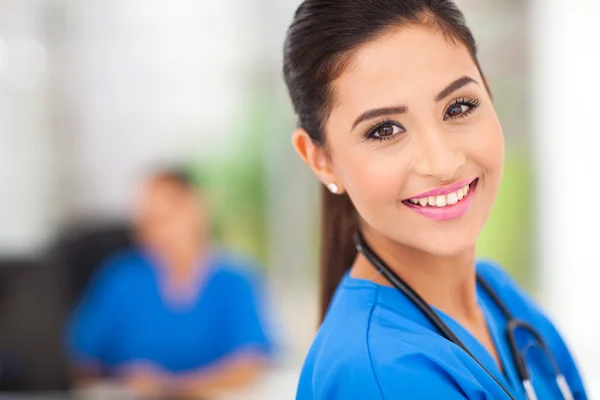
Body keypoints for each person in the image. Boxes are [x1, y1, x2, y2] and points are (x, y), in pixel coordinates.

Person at [283, 1, 587, 399]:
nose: (442, 163)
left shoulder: (497, 294)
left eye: (459, 107)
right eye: (384, 130)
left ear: (489, 92)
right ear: (320, 160)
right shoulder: (380, 376)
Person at [66, 169, 274, 399]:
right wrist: (121, 379)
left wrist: (169, 387)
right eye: (146, 221)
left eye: (164, 218)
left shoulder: (236, 282)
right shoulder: (121, 280)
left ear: (197, 210)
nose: (154, 232)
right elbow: (80, 358)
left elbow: (249, 366)